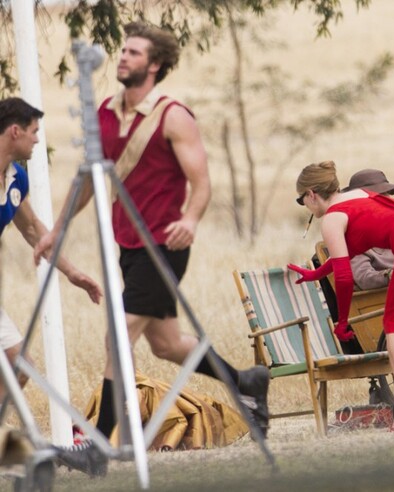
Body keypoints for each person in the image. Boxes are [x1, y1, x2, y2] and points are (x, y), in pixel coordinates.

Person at [34, 21, 270, 453]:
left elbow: (201, 183)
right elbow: (86, 181)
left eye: (135, 53)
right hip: (128, 245)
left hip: (165, 246)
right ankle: (247, 381)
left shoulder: (173, 116)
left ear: (155, 65)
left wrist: (193, 219)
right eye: (123, 52)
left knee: (116, 338)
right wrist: (55, 231)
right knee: (165, 345)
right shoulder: (105, 112)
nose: (123, 57)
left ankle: (100, 443)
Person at [288, 160, 394, 430]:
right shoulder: (358, 195)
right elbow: (347, 254)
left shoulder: (331, 219)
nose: (305, 206)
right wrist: (316, 275)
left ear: (311, 194)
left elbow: (343, 278)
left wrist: (343, 323)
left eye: (301, 200)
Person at [0, 97, 107, 476]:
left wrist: (73, 272)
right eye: (33, 133)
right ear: (14, 131)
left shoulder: (16, 178)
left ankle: (12, 454)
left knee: (19, 367)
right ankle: (17, 456)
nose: (36, 141)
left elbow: (33, 230)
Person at [341, 169, 394, 290]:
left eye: (386, 195)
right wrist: (390, 275)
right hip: (386, 299)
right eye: (379, 197)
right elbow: (364, 279)